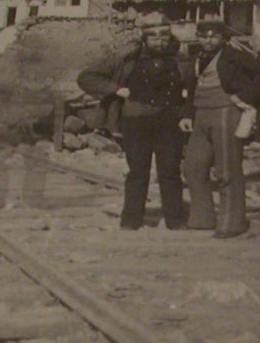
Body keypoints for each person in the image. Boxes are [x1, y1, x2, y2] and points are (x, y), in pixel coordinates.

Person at [77, 13, 191, 231]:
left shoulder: (181, 59)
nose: (160, 42)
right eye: (154, 38)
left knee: (170, 171)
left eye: (164, 37)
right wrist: (116, 89)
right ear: (144, 38)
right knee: (138, 171)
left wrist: (186, 93)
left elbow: (195, 84)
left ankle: (175, 221)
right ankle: (131, 221)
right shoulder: (127, 58)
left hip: (169, 122)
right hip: (136, 122)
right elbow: (87, 77)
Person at [181, 20, 260, 238]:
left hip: (226, 112)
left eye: (214, 36)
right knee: (193, 167)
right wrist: (187, 114)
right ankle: (202, 218)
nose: (208, 40)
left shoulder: (235, 55)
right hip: (200, 114)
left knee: (226, 169)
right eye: (203, 35)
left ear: (223, 38)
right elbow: (191, 88)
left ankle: (232, 223)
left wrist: (245, 96)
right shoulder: (196, 57)